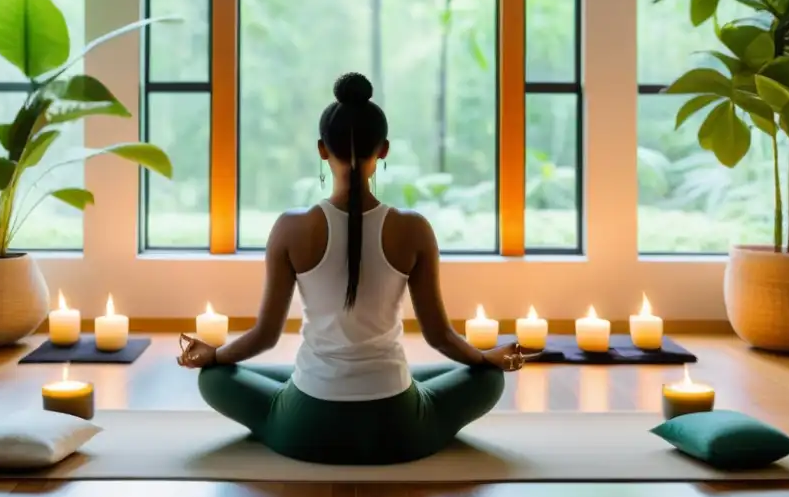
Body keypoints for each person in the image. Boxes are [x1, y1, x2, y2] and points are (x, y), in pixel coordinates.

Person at [177, 72, 529, 465]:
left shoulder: (291, 228)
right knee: (487, 378)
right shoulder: (413, 229)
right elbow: (441, 337)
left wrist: (213, 356)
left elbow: (263, 337)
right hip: (400, 427)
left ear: (321, 150)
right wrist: (486, 359)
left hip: (305, 427)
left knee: (215, 377)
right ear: (384, 150)